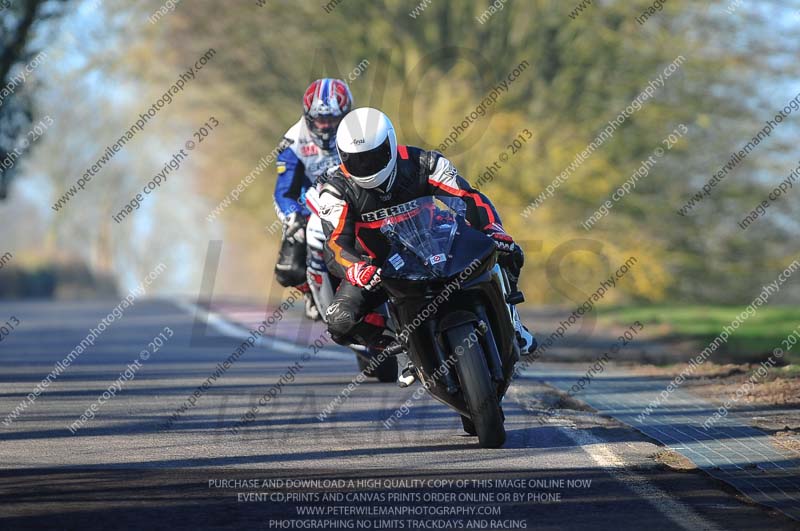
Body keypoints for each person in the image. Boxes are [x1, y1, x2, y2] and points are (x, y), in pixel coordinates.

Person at [316, 107, 536, 386]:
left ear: (391, 144)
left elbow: (469, 198)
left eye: (374, 156)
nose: (367, 166)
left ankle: (514, 323)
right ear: (342, 156)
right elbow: (336, 242)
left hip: (439, 243)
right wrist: (355, 268)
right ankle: (404, 347)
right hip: (379, 267)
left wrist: (492, 228)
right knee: (340, 322)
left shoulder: (425, 162)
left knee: (508, 250)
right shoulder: (335, 190)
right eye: (357, 161)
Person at [273, 78, 353, 319]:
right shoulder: (293, 141)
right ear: (308, 117)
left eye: (332, 120)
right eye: (320, 120)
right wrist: (292, 217)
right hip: (311, 208)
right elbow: (283, 191)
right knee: (288, 270)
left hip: (355, 200)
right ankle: (310, 290)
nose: (326, 127)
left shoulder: (358, 130)